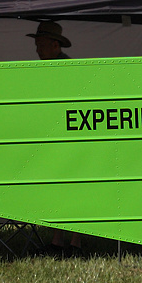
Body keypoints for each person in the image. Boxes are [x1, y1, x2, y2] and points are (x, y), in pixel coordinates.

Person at [27, 21, 83, 255]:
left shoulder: (65, 68)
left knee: (73, 189)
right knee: (58, 190)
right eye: (37, 44)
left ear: (54, 45)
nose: (37, 50)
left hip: (67, 139)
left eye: (41, 44)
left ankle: (75, 243)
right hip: (54, 138)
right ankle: (58, 241)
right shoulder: (45, 69)